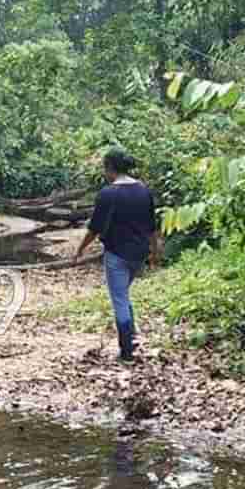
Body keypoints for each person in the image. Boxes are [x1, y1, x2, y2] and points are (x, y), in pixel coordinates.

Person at [74, 147, 162, 363]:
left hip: (116, 255)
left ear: (109, 168)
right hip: (139, 254)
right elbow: (152, 227)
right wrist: (155, 252)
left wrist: (80, 249)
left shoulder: (108, 193)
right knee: (123, 294)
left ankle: (126, 352)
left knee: (119, 299)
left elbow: (95, 228)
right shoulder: (144, 190)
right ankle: (132, 338)